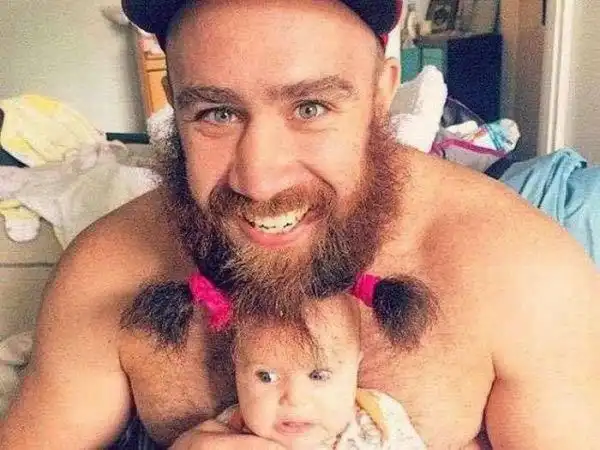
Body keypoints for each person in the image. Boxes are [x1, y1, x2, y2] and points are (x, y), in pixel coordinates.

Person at [1, 0, 599, 448]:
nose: (258, 180)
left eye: (310, 108)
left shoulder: (520, 272)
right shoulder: (107, 271)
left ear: (381, 94)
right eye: (217, 113)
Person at [167, 273, 426, 449]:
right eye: (266, 377)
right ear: (237, 371)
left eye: (319, 375)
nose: (294, 398)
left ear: (355, 368)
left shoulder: (379, 421)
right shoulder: (227, 434)